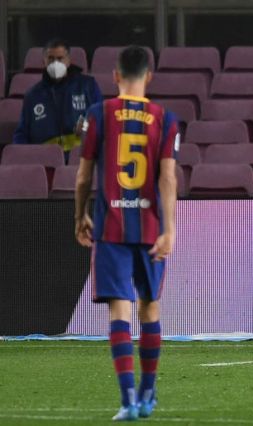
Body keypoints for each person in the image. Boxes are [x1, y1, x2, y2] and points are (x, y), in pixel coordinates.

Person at [74, 46, 179, 420]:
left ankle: (128, 400)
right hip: (150, 228)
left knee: (120, 311)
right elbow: (167, 177)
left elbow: (85, 174)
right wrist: (169, 229)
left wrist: (80, 215)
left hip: (112, 227)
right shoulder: (165, 118)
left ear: (115, 76)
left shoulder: (98, 114)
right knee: (150, 309)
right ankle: (149, 394)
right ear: (148, 76)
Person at [14, 38, 102, 161]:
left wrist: (86, 127)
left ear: (68, 60)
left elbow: (103, 119)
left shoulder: (88, 86)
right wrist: (25, 156)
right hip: (45, 161)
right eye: (50, 58)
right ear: (43, 61)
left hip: (80, 158)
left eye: (60, 59)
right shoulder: (32, 95)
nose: (55, 63)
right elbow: (21, 134)